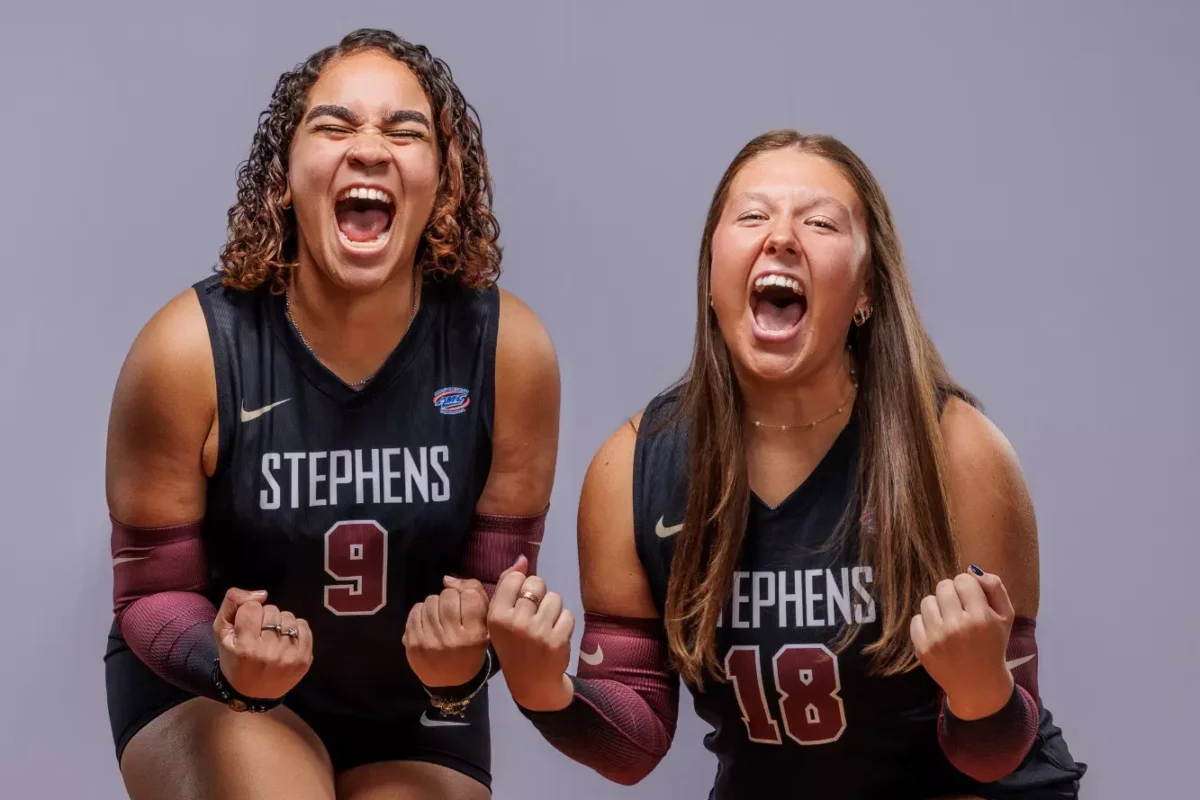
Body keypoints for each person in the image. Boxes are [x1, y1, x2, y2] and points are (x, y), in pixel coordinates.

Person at [483, 130, 1086, 798]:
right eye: (751, 216)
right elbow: (634, 744)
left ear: (866, 293)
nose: (781, 237)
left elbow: (998, 752)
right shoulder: (632, 466)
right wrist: (544, 690)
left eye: (821, 222)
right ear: (712, 278)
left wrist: (981, 689)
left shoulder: (957, 452)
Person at [103, 28, 559, 800]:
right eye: (336, 125)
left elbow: (492, 587)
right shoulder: (188, 350)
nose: (371, 148)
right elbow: (147, 595)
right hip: (218, 684)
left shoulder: (509, 350)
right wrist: (224, 660)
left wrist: (467, 652)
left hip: (415, 701)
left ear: (444, 182)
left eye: (404, 130)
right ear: (285, 175)